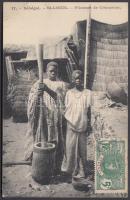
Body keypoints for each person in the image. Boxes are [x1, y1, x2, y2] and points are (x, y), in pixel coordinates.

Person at [24, 61, 68, 175]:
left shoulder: (61, 84)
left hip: (55, 117)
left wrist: (47, 89)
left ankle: (55, 165)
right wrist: (37, 94)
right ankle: (40, 163)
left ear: (58, 71)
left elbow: (62, 100)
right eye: (50, 71)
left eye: (55, 71)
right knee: (42, 137)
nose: (53, 73)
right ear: (46, 72)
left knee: (55, 139)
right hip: (42, 116)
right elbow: (32, 98)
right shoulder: (39, 82)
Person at [62, 70, 92, 180]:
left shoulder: (88, 93)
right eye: (76, 78)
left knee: (82, 149)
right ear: (73, 80)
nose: (78, 80)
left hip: (82, 124)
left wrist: (89, 124)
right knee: (70, 148)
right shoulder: (69, 93)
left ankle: (82, 170)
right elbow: (66, 108)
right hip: (70, 123)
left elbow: (89, 110)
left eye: (80, 78)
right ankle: (70, 171)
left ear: (83, 79)